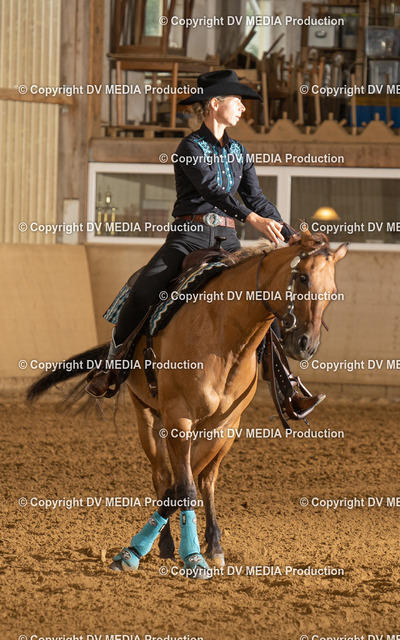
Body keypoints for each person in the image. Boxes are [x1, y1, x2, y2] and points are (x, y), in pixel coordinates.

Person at [85, 70, 323, 417]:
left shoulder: (240, 151)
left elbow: (256, 198)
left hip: (228, 240)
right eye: (237, 101)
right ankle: (113, 366)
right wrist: (252, 220)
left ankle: (287, 387)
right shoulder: (189, 148)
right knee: (143, 289)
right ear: (214, 103)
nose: (243, 108)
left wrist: (289, 234)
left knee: (263, 301)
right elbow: (212, 190)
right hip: (187, 237)